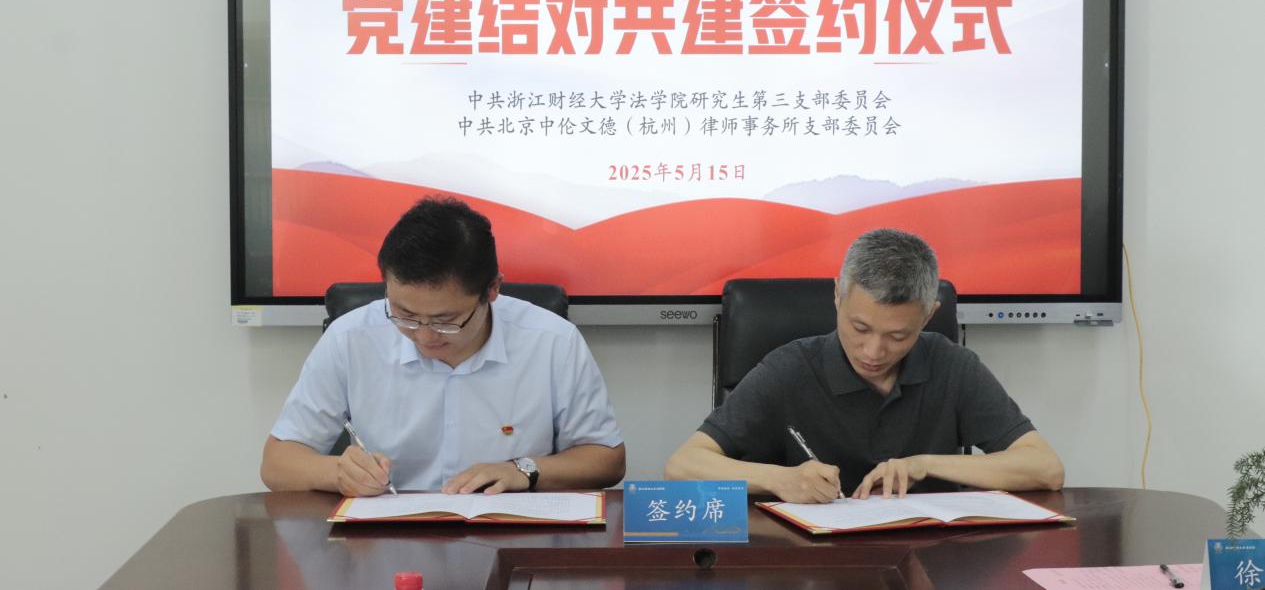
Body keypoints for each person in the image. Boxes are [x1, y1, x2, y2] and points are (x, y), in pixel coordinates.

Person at [665, 228, 1063, 503]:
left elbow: (1045, 469)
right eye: (860, 328)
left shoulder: (952, 365)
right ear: (838, 295)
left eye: (898, 336)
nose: (873, 351)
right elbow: (682, 466)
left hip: (925, 561)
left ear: (928, 315)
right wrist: (780, 479)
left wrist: (923, 465)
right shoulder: (789, 369)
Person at [261, 196, 625, 496]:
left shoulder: (553, 341)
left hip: (512, 534)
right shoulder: (350, 338)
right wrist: (338, 472)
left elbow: (606, 459)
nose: (424, 336)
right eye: (404, 315)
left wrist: (524, 470)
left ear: (492, 290)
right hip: (389, 538)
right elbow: (277, 463)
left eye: (446, 321)